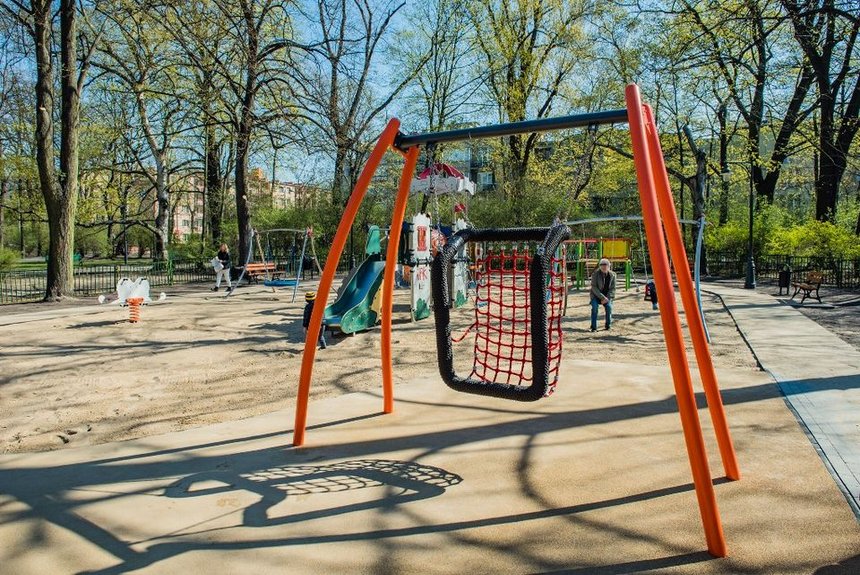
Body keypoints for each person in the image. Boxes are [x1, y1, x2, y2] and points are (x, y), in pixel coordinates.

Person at [589, 258, 616, 331]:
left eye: (605, 265)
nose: (604, 267)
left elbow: (613, 288)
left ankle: (608, 325)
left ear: (609, 266)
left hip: (607, 296)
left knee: (609, 307)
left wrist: (607, 298)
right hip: (596, 295)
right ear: (600, 266)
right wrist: (602, 297)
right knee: (595, 307)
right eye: (602, 265)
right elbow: (594, 287)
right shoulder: (595, 274)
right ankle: (593, 327)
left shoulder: (613, 275)